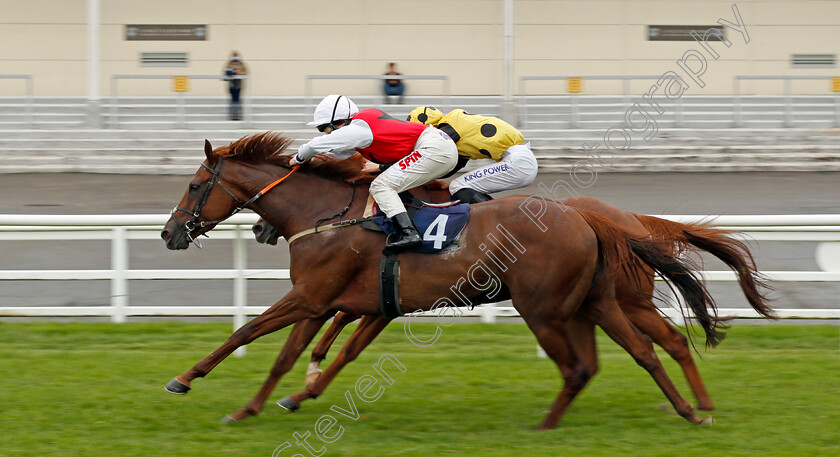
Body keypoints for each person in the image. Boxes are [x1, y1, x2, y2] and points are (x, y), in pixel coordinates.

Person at [293, 95, 458, 251]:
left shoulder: (360, 127)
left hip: (433, 147)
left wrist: (298, 158)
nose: (327, 133)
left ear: (341, 122)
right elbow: (334, 154)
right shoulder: (360, 131)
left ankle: (409, 233)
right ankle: (414, 225)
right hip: (438, 146)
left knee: (381, 186)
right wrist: (309, 162)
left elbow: (315, 146)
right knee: (390, 185)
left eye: (327, 128)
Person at [406, 106, 538, 203]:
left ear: (430, 126)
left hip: (517, 161)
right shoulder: (456, 131)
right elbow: (447, 170)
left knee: (458, 186)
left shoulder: (449, 127)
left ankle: (492, 219)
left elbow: (427, 157)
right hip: (520, 160)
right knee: (461, 185)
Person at [224, 51, 248, 121]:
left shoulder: (242, 64)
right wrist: (232, 72)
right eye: (234, 56)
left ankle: (238, 115)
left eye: (236, 56)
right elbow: (225, 73)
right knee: (232, 101)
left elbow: (246, 73)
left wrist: (239, 72)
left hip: (239, 85)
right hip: (231, 85)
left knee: (238, 100)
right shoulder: (229, 64)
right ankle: (232, 116)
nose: (235, 57)